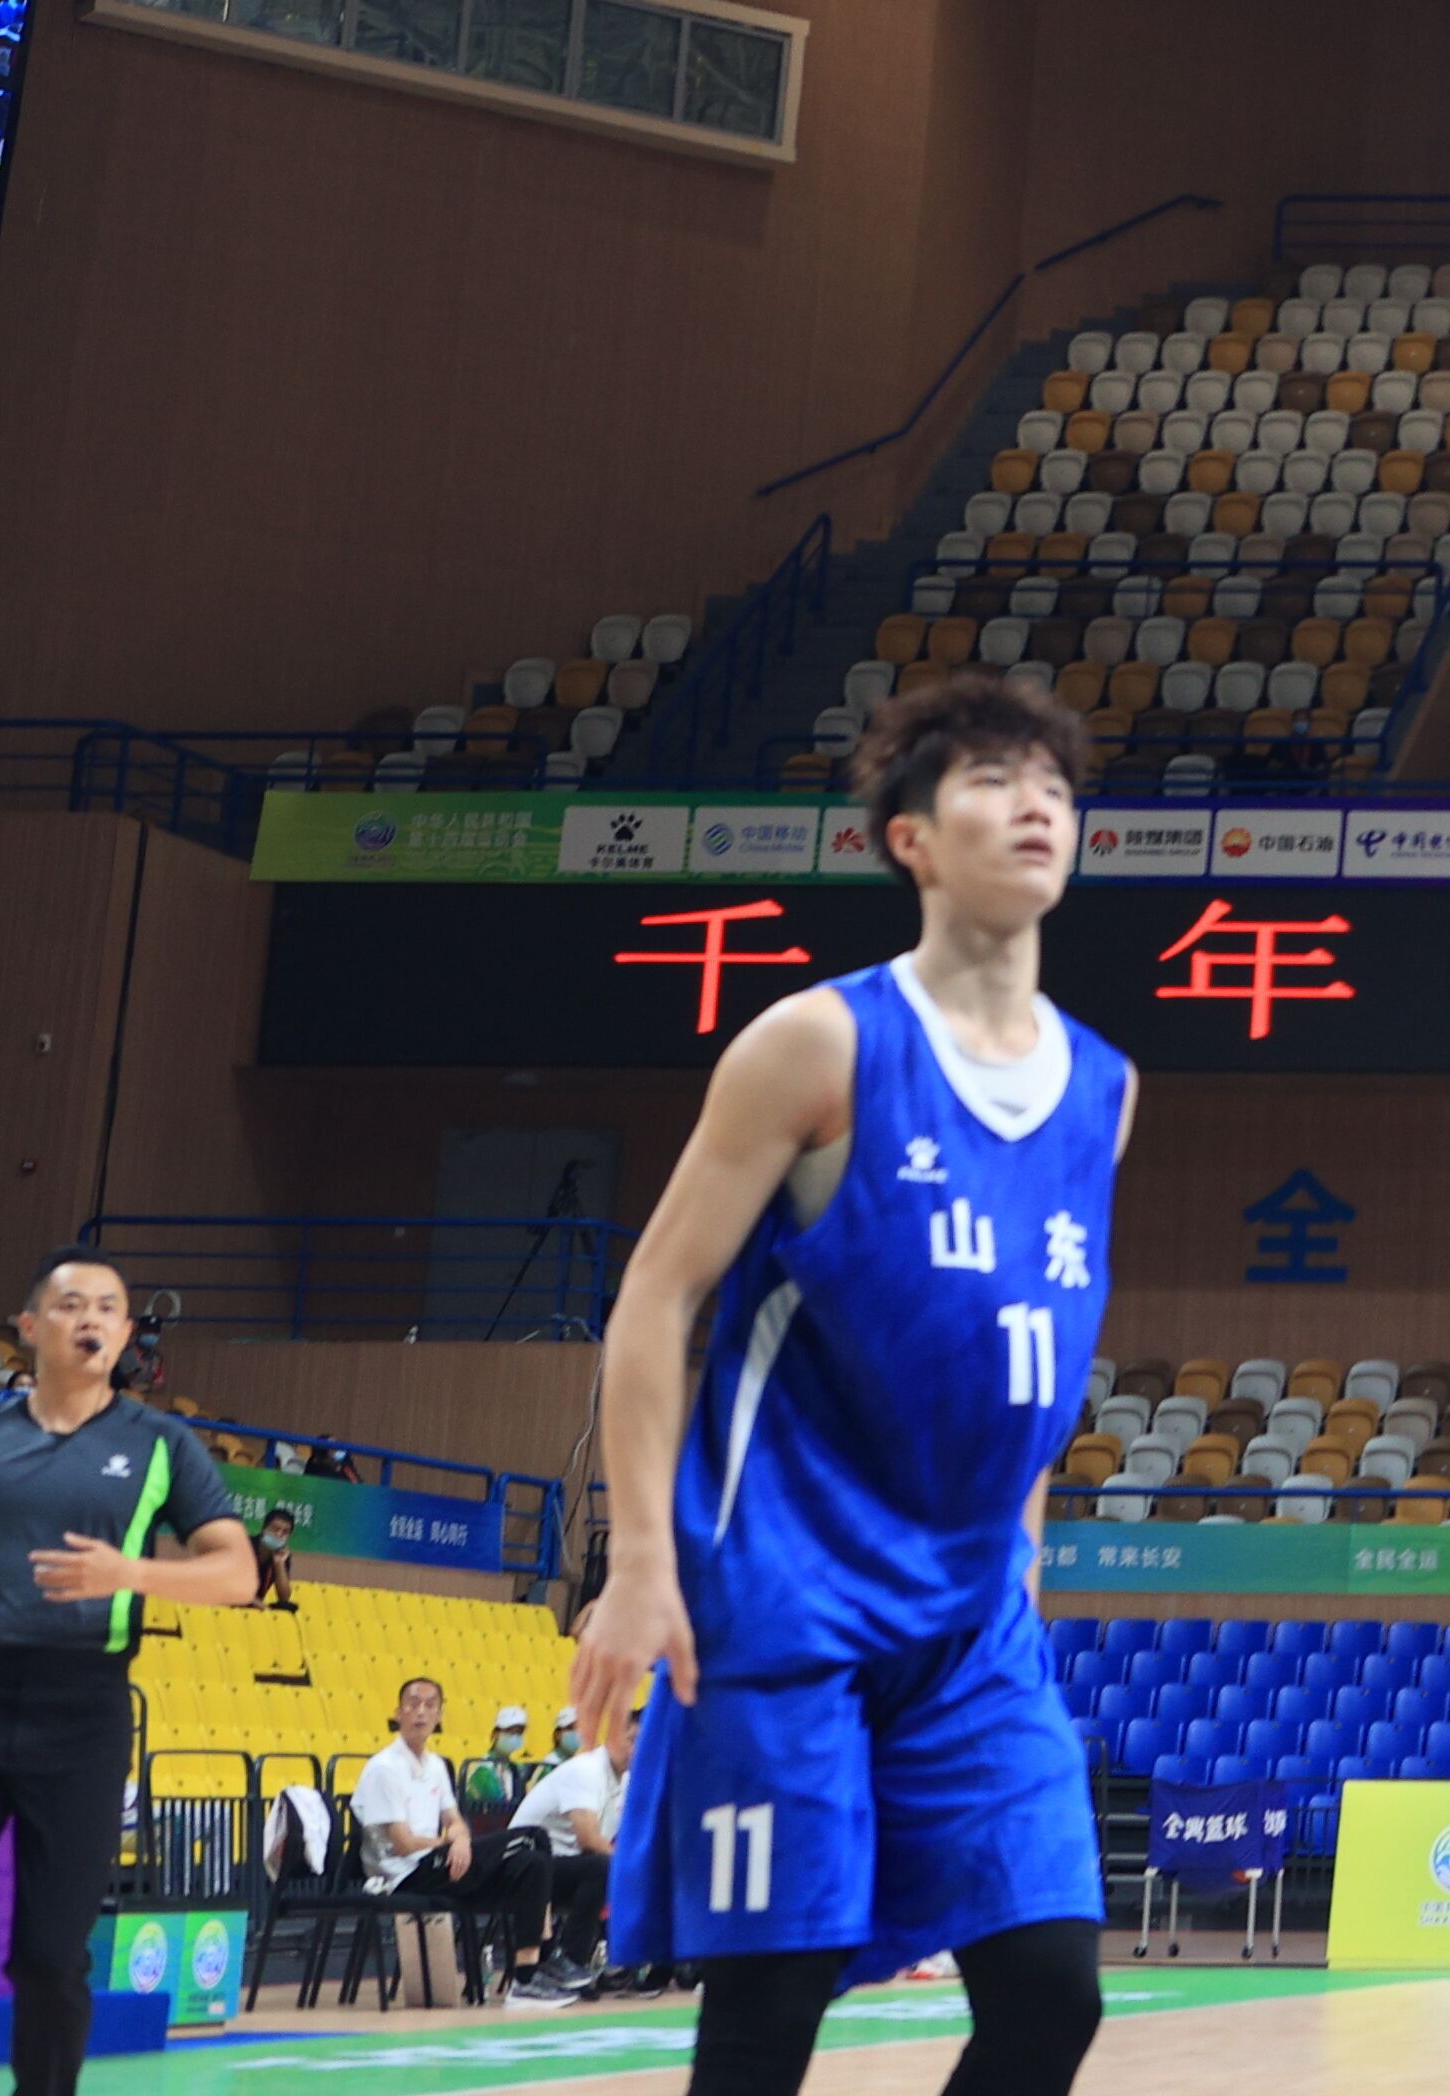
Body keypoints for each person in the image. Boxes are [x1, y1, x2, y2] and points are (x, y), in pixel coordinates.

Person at [570, 669, 1130, 2096]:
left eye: (1055, 786)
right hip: (784, 1594)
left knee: (1051, 1992)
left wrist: (1025, 1556)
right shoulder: (819, 1042)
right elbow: (656, 1297)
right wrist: (640, 1563)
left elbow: (1031, 1349)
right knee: (770, 2012)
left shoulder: (1106, 1088)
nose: (1037, 807)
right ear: (911, 840)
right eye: (994, 782)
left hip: (972, 1615)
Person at [0, 1251, 258, 2092]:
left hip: (83, 1712)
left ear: (125, 1331)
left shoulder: (161, 1444)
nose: (93, 1320)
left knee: (49, 1956)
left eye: (109, 1307)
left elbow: (238, 1573)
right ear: (29, 1326)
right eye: (72, 1304)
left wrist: (131, 1574)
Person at [361, 1677, 482, 2008]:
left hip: (432, 1863)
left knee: (526, 1861)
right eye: (413, 1704)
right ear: (398, 1712)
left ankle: (530, 1970)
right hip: (398, 1873)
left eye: (430, 1706)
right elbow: (402, 1844)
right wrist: (447, 1843)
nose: (421, 1712)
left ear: (440, 1715)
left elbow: (454, 1819)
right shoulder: (383, 1768)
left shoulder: (437, 1766)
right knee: (519, 1850)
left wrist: (460, 1840)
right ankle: (526, 1978)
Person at [508, 1702, 636, 1998]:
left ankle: (612, 1967)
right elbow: (589, 1839)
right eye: (631, 1740)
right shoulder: (586, 1770)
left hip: (563, 1865)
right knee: (604, 1867)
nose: (637, 1749)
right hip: (522, 1867)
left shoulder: (628, 1780)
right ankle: (569, 1963)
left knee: (612, 1868)